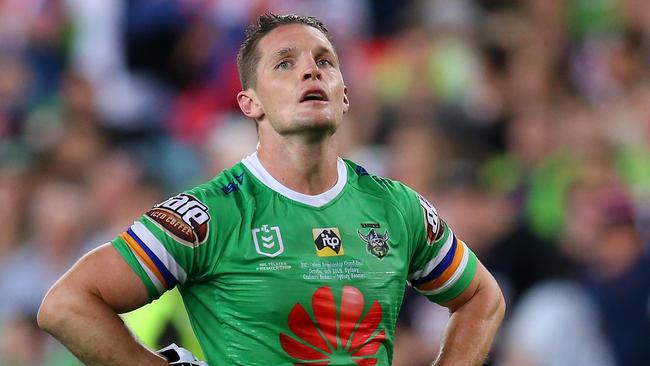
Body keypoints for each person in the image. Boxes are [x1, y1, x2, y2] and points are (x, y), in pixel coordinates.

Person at [38, 13, 505, 365]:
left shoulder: (396, 207)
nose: (311, 71)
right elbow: (66, 305)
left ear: (344, 94)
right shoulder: (209, 214)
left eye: (325, 61)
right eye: (285, 63)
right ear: (250, 102)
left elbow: (482, 298)